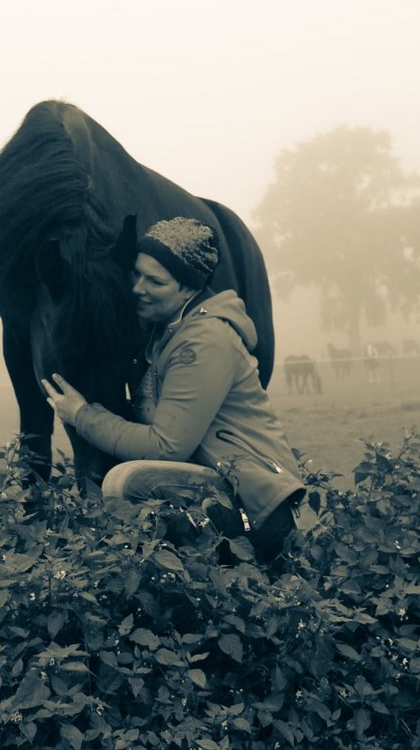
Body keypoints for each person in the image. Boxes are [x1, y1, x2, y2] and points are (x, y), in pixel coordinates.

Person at [41, 216, 306, 560]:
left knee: (127, 483)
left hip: (254, 510)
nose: (137, 288)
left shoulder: (204, 341)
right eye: (136, 274)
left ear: (188, 288)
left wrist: (82, 416)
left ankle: (206, 576)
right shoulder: (164, 334)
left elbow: (166, 448)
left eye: (155, 281)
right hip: (220, 487)